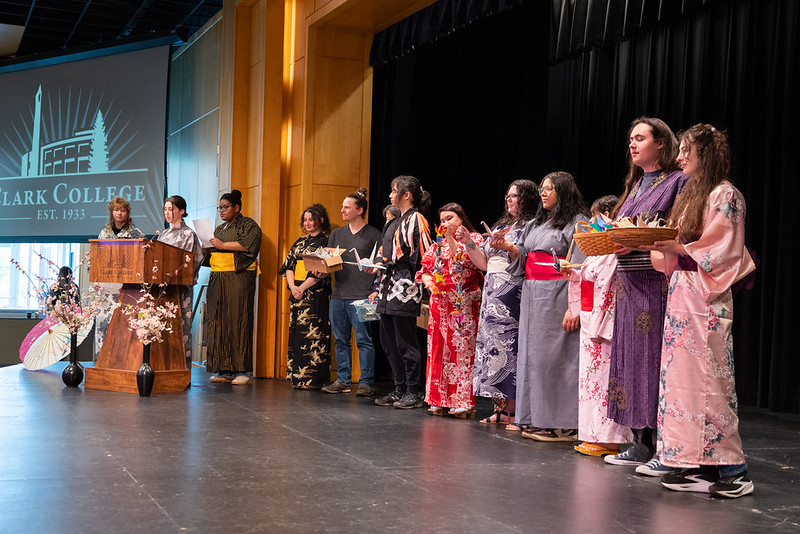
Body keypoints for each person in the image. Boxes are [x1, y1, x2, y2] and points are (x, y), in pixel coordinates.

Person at [647, 124, 756, 498]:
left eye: (686, 151)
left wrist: (677, 247)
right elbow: (679, 248)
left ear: (704, 154)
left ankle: (733, 470)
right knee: (682, 384)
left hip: (706, 298)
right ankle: (695, 463)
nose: (679, 158)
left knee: (711, 382)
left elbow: (722, 250)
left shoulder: (727, 195)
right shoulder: (695, 193)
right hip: (683, 295)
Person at [603, 117, 689, 473]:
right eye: (630, 140)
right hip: (627, 283)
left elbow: (679, 230)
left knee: (651, 360)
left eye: (640, 138)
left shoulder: (678, 182)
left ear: (661, 144)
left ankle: (660, 445)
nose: (632, 145)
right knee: (627, 361)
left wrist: (634, 240)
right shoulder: (636, 185)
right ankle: (638, 442)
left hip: (654, 281)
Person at [495, 171, 588, 441]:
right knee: (532, 359)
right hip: (533, 294)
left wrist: (576, 307)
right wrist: (510, 248)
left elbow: (582, 267)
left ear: (564, 191)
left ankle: (562, 423)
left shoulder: (578, 222)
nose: (543, 193)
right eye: (542, 189)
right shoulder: (536, 223)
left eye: (549, 189)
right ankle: (534, 416)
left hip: (559, 294)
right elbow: (524, 256)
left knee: (557, 360)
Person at [456, 179, 539, 426]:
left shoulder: (531, 226)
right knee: (491, 347)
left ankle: (515, 411)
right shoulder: (503, 224)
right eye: (507, 196)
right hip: (492, 289)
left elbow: (526, 259)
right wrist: (468, 243)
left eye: (515, 196)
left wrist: (511, 247)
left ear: (527, 199)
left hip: (512, 289)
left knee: (509, 347)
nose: (509, 200)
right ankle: (500, 408)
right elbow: (483, 263)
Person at [566, 195, 632, 456]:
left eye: (595, 217)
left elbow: (606, 287)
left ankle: (609, 438)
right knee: (589, 380)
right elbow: (588, 277)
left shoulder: (612, 251)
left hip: (602, 320)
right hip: (589, 316)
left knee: (604, 380)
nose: (592, 223)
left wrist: (600, 323)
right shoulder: (598, 252)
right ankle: (593, 434)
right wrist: (572, 273)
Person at [417, 203, 484, 417]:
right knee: (438, 350)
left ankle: (462, 400)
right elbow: (425, 270)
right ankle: (438, 398)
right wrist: (429, 282)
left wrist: (453, 239)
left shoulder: (474, 239)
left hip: (462, 302)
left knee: (461, 351)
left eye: (450, 218)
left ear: (461, 220)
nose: (445, 223)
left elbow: (463, 260)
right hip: (440, 303)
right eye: (442, 219)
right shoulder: (437, 244)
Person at [372, 175, 432, 409]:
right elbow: (385, 252)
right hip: (388, 285)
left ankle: (413, 391)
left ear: (406, 195)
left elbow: (426, 254)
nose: (389, 195)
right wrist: (374, 264)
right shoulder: (394, 220)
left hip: (405, 285)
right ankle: (398, 388)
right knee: (388, 340)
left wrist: (423, 280)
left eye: (393, 190)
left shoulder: (416, 219)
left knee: (405, 341)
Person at [321, 189, 382, 397]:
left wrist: (375, 290)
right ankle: (343, 380)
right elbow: (328, 263)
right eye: (342, 207)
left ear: (360, 210)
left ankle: (366, 382)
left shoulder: (374, 234)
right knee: (340, 339)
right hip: (338, 295)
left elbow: (381, 265)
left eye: (347, 207)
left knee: (364, 340)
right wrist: (319, 268)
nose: (342, 210)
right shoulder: (337, 234)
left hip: (363, 295)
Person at [206, 189, 262, 386]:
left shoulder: (249, 225)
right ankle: (223, 368)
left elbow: (250, 246)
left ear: (236, 208)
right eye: (219, 208)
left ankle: (242, 370)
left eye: (225, 207)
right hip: (218, 277)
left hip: (238, 276)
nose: (221, 211)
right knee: (218, 319)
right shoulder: (220, 229)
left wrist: (222, 245)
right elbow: (212, 253)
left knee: (238, 318)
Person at [279, 204, 332, 390]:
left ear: (321, 220)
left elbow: (323, 272)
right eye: (306, 220)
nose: (308, 223)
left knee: (315, 336)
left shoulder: (327, 242)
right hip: (298, 293)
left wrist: (301, 287)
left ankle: (314, 379)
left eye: (312, 219)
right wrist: (293, 287)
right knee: (297, 335)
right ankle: (297, 377)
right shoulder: (299, 242)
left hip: (315, 294)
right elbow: (288, 267)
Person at [156, 195, 204, 370]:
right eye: (166, 209)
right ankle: (163, 366)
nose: (167, 213)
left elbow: (195, 259)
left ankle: (182, 369)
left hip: (180, 288)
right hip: (164, 289)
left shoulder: (189, 234)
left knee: (181, 327)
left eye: (171, 209)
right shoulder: (163, 234)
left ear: (181, 211)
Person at [94, 196, 145, 359]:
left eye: (122, 210)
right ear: (111, 212)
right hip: (107, 287)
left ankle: (121, 360)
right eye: (116, 210)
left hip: (126, 288)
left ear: (127, 213)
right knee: (103, 325)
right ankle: (101, 359)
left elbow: (141, 259)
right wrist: (96, 278)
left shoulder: (135, 233)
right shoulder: (104, 233)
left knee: (123, 326)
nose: (119, 213)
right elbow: (97, 257)